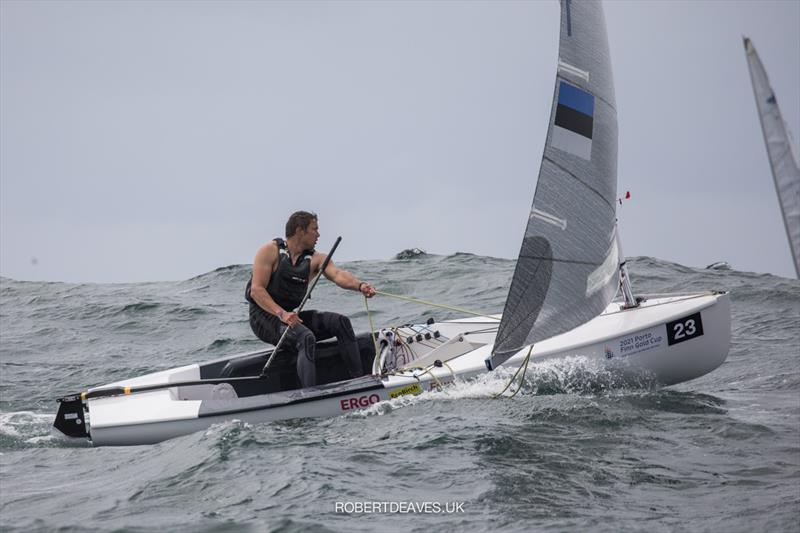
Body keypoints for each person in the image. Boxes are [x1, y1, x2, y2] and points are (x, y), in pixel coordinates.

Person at [246, 211, 376, 388]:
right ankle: (310, 394)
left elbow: (338, 275)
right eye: (314, 229)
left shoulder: (316, 259)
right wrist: (282, 314)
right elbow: (256, 291)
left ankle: (359, 383)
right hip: (264, 317)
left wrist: (360, 286)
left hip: (291, 318)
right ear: (300, 231)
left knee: (341, 322)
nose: (319, 234)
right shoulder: (270, 251)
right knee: (306, 337)